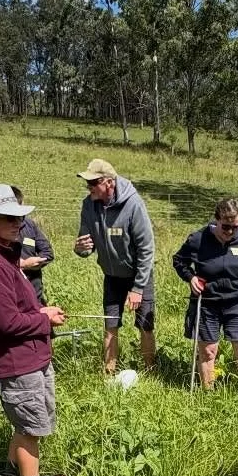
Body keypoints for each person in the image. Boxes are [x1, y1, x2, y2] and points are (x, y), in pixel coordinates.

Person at [0, 184, 67, 476]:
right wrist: (44, 321)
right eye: (8, 218)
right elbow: (6, 323)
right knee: (30, 433)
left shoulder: (4, 254)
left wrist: (41, 312)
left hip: (31, 357)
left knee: (26, 428)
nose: (17, 223)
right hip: (17, 363)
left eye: (18, 217)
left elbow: (18, 310)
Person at [73, 158, 156, 373]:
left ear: (109, 183)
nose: (88, 188)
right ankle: (109, 372)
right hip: (112, 276)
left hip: (139, 275)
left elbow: (146, 249)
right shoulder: (88, 205)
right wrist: (81, 248)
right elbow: (86, 245)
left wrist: (138, 288)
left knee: (145, 324)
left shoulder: (133, 204)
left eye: (93, 183)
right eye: (87, 183)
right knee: (110, 323)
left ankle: (150, 370)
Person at [172, 197, 238, 390]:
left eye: (236, 227)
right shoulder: (198, 239)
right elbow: (179, 260)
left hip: (237, 302)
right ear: (216, 220)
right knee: (208, 351)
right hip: (207, 303)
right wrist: (191, 278)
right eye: (226, 227)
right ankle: (209, 394)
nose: (230, 232)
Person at [12, 185, 54, 304]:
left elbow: (48, 253)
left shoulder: (29, 225)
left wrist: (37, 262)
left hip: (35, 294)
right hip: (13, 297)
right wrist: (23, 264)